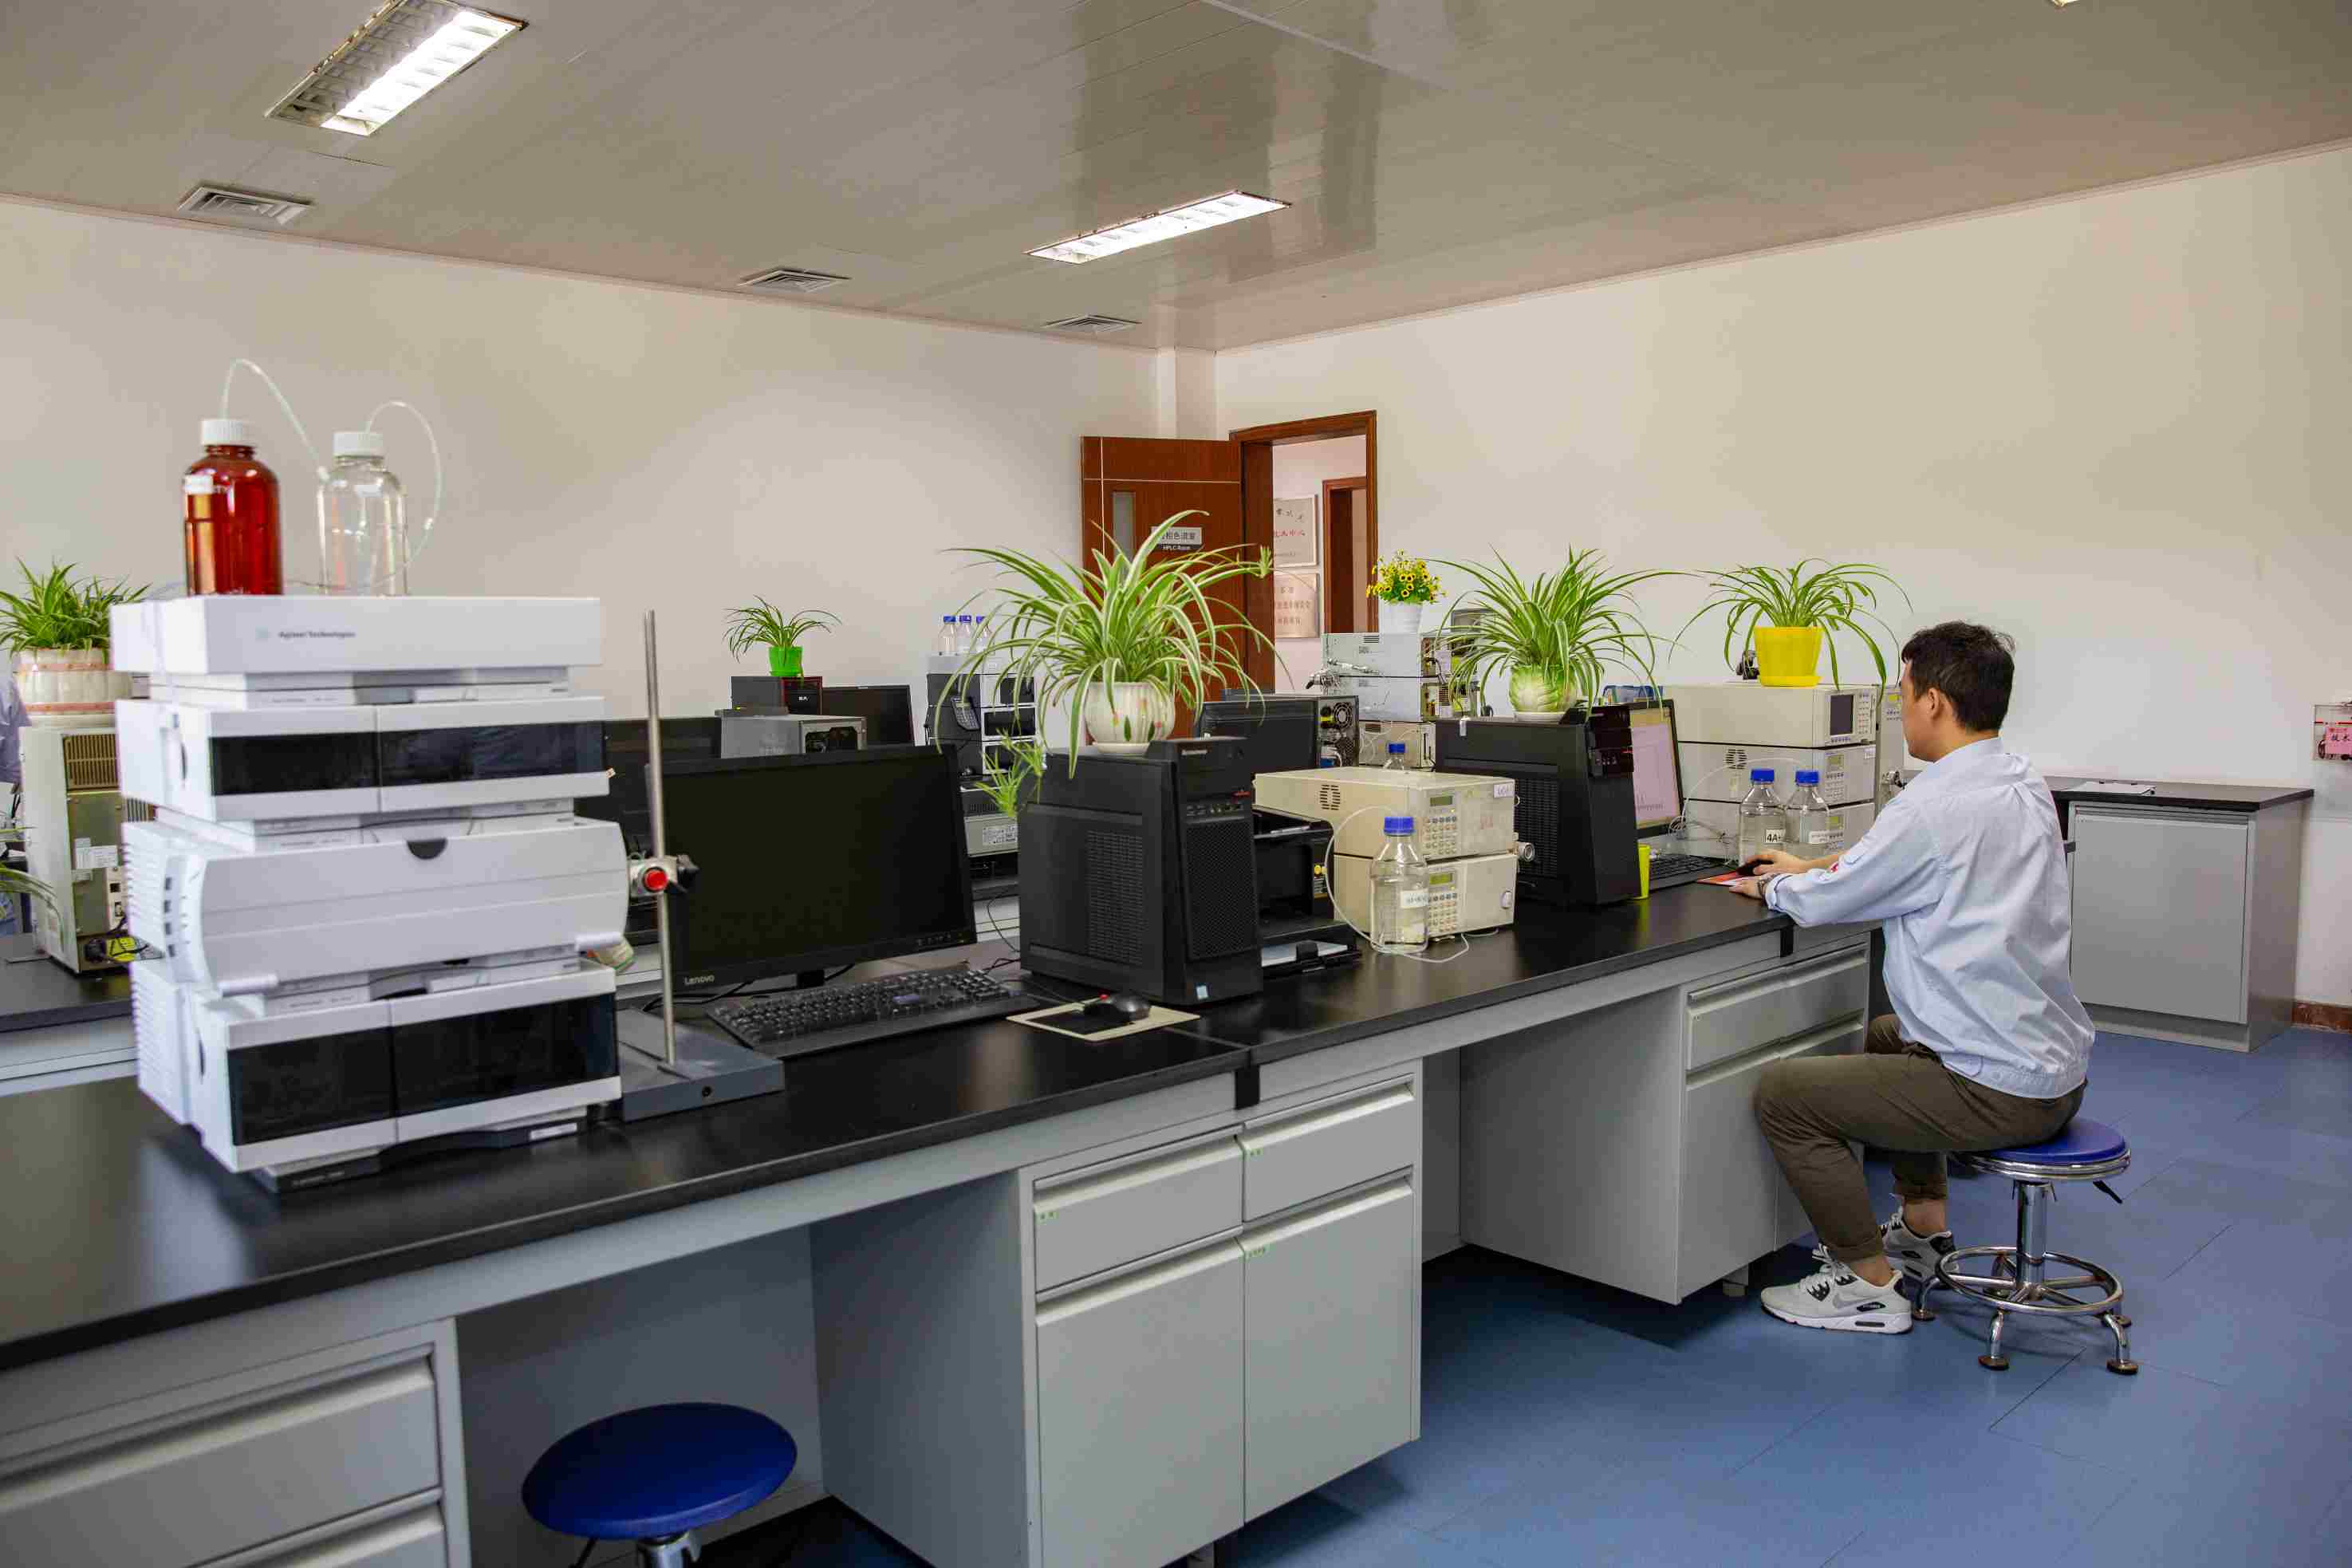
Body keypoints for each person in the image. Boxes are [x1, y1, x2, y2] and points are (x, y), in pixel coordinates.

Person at [1728, 621, 2094, 1335]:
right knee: (1888, 1034)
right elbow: (1895, 864)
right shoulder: (2017, 778)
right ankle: (1923, 1230)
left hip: (1997, 1091)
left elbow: (1833, 900)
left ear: (1932, 702)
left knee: (1784, 1094)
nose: (1898, 708)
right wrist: (1814, 865)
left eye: (1901, 693)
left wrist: (1774, 885)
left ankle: (1866, 1284)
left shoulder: (1932, 805)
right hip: (2053, 1066)